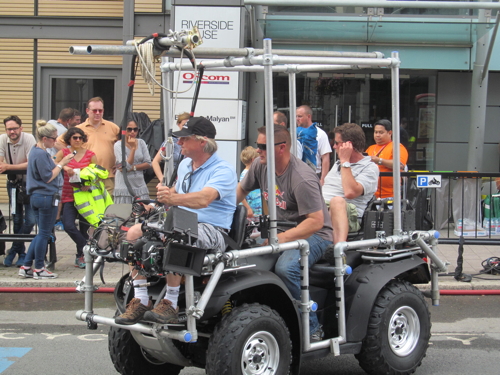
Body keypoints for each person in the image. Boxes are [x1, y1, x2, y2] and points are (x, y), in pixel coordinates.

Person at [114, 117, 237, 325]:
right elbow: (178, 192)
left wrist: (172, 199)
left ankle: (171, 302)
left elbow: (204, 198)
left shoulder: (223, 170)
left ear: (202, 142)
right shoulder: (186, 165)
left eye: (184, 139)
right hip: (181, 221)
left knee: (176, 232)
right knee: (134, 232)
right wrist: (157, 203)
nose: (179, 143)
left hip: (213, 230)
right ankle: (141, 299)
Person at [237, 124, 333, 340]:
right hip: (279, 230)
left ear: (281, 148)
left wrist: (278, 240)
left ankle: (312, 329)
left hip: (315, 235)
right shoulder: (259, 166)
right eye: (257, 145)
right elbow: (240, 191)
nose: (258, 150)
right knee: (242, 260)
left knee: (286, 268)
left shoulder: (302, 177)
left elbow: (316, 222)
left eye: (263, 146)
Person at [18, 120, 74, 279]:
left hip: (37, 196)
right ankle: (40, 267)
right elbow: (48, 177)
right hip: (45, 196)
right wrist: (62, 163)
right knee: (44, 233)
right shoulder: (41, 154)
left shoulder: (35, 152)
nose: (55, 141)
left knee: (40, 233)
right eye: (53, 138)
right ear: (44, 138)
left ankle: (27, 265)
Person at [322, 123, 379, 244]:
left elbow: (350, 192)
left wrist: (345, 162)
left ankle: (338, 249)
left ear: (349, 145)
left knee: (337, 201)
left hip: (347, 213)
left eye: (337, 143)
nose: (334, 147)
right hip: (321, 207)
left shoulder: (370, 167)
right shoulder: (337, 164)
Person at [56, 97, 120, 194]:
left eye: (100, 110)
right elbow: (58, 142)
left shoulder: (113, 127)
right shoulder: (79, 129)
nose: (97, 113)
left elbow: (123, 146)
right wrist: (73, 156)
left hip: (108, 175)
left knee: (108, 207)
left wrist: (120, 163)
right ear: (87, 111)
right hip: (86, 177)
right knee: (88, 207)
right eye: (94, 110)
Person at [54, 127, 97, 269]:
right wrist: (64, 167)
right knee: (68, 225)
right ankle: (86, 247)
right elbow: (53, 163)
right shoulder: (64, 153)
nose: (78, 140)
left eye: (80, 137)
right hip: (69, 195)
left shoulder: (90, 154)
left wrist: (89, 183)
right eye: (74, 138)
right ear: (69, 140)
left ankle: (81, 256)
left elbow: (97, 173)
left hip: (85, 196)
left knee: (84, 228)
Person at [0, 115, 37, 267]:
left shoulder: (29, 139)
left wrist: (9, 166)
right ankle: (21, 252)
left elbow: (31, 164)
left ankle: (14, 249)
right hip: (14, 184)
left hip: (29, 184)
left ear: (21, 128)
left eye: (15, 128)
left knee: (31, 220)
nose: (12, 132)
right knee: (16, 218)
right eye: (9, 129)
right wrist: (16, 166)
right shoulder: (2, 139)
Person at [365, 119, 408, 199]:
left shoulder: (397, 147)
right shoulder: (370, 148)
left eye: (381, 132)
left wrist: (379, 161)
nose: (377, 135)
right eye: (375, 132)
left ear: (390, 133)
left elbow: (400, 165)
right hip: (370, 195)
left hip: (390, 195)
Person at [113, 118, 152, 203]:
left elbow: (148, 163)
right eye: (129, 129)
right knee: (125, 213)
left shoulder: (141, 142)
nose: (132, 132)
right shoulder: (118, 145)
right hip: (124, 186)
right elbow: (125, 167)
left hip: (140, 184)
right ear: (123, 130)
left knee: (143, 212)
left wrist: (133, 168)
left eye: (135, 129)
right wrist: (133, 149)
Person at [296, 105, 332, 185]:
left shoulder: (320, 134)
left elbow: (325, 158)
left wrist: (323, 179)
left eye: (300, 116)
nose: (297, 119)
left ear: (308, 116)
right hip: (296, 174)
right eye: (296, 116)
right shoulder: (293, 133)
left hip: (313, 175)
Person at [152, 112, 190, 183]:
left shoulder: (194, 141)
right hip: (173, 179)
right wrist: (162, 179)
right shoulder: (171, 141)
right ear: (178, 125)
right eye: (183, 125)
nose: (185, 128)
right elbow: (155, 161)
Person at [239, 146, 262, 219]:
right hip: (252, 212)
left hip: (257, 211)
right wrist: (248, 208)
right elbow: (241, 194)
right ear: (253, 160)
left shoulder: (252, 173)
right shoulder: (246, 174)